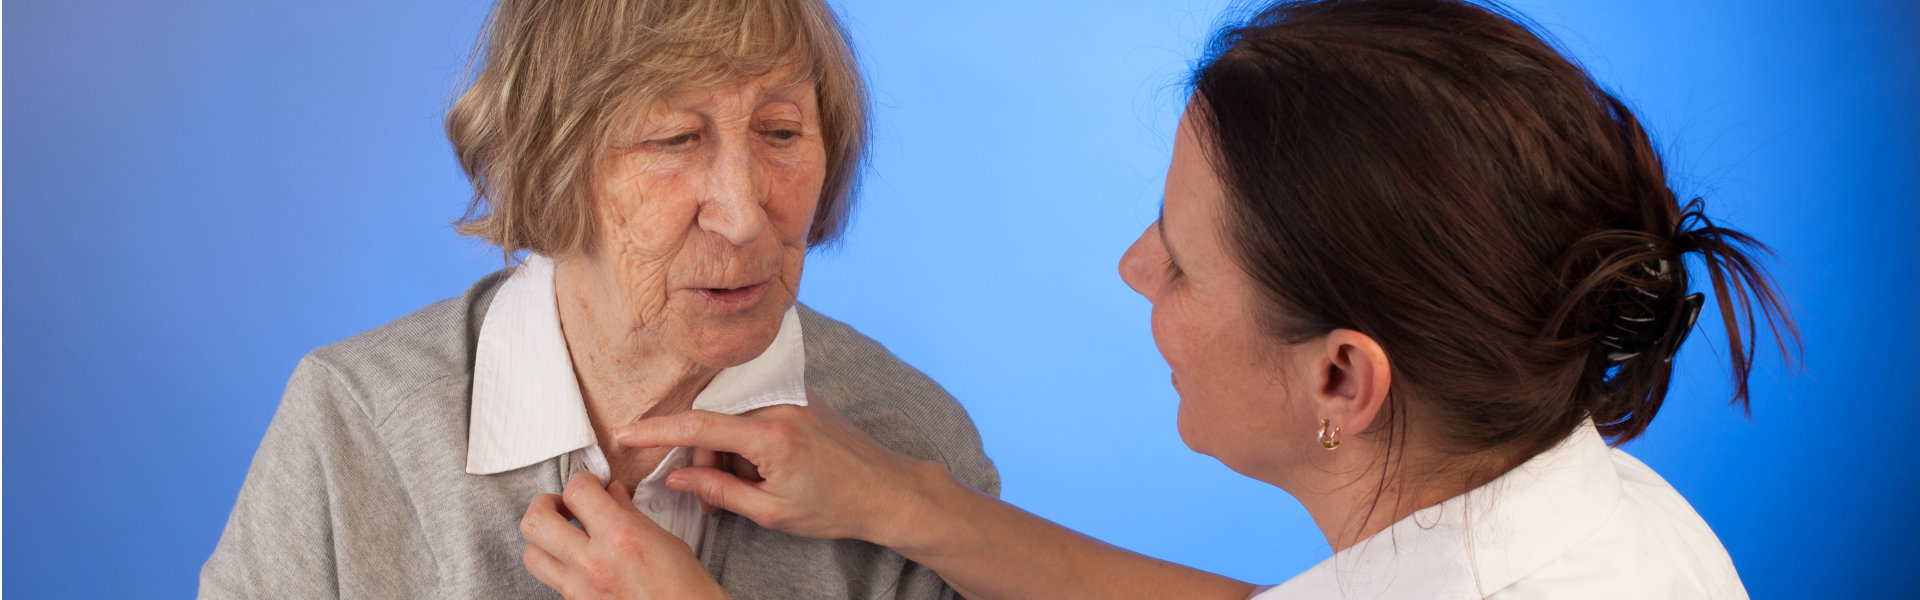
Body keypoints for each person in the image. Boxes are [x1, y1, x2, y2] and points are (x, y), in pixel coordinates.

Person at [517, 0, 1798, 598]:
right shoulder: (1599, 514)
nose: (1134, 266)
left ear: (1341, 379)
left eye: (1181, 259)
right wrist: (912, 503)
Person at [199, 0, 998, 598]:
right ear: (549, 160)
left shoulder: (913, 446)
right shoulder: (354, 421)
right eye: (675, 140)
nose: (746, 211)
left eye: (781, 133)